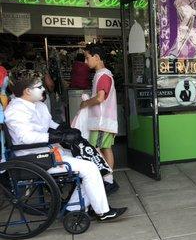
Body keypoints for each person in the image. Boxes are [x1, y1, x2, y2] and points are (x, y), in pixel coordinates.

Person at [4, 70, 126, 221]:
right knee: (90, 168)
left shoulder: (38, 105)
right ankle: (98, 211)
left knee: (92, 161)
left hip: (47, 151)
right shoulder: (16, 110)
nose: (44, 88)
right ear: (27, 91)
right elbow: (27, 137)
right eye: (39, 86)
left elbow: (51, 124)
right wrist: (58, 137)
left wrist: (66, 130)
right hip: (33, 158)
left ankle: (76, 206)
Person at [80, 44, 119, 193]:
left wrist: (85, 103)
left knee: (95, 150)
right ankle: (108, 180)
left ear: (96, 58)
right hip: (103, 121)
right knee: (105, 148)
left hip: (101, 121)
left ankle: (107, 181)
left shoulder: (103, 75)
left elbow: (100, 98)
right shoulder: (103, 75)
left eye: (87, 57)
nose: (85, 61)